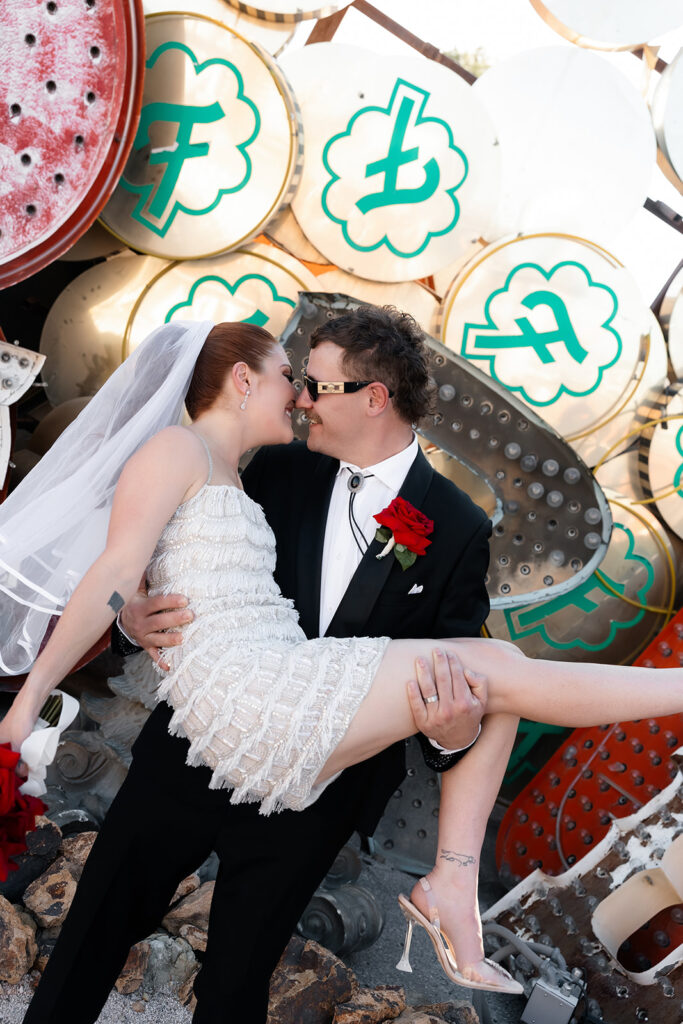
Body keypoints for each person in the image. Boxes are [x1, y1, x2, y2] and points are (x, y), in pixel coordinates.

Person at [1, 316, 682, 1023]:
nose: (299, 398)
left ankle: (452, 877)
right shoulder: (261, 461)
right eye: (291, 381)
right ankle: (452, 881)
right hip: (200, 744)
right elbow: (145, 553)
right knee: (93, 936)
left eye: (316, 385)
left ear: (374, 397)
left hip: (320, 779)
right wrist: (130, 618)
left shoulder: (456, 527)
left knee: (237, 985)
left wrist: (450, 734)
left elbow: (447, 684)